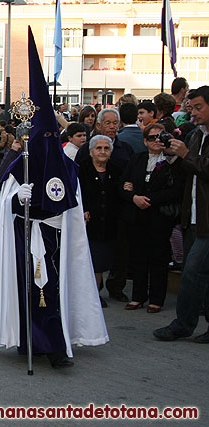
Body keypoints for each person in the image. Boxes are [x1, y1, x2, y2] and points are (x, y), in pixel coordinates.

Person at [0, 28, 108, 369]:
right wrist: (16, 198)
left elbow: (73, 202)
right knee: (27, 289)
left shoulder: (67, 166)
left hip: (55, 237)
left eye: (54, 134)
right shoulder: (22, 161)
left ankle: (54, 345)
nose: (50, 140)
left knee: (50, 290)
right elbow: (3, 195)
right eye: (45, 134)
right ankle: (29, 341)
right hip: (26, 233)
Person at [153, 86, 209, 343]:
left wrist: (187, 154)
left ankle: (183, 324)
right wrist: (174, 156)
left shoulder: (197, 141)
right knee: (198, 272)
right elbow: (188, 173)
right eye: (191, 107)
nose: (192, 112)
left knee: (192, 273)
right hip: (193, 215)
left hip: (205, 220)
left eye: (198, 107)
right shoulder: (197, 135)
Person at [121, 123, 184, 313]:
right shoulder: (137, 159)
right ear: (145, 141)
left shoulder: (173, 161)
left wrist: (149, 199)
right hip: (138, 216)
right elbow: (124, 183)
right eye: (151, 137)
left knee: (158, 258)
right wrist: (133, 197)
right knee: (139, 257)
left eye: (160, 137)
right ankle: (138, 296)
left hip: (160, 217)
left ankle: (157, 299)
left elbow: (176, 189)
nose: (156, 141)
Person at [75, 108, 135, 302]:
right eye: (107, 123)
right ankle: (94, 292)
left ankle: (116, 288)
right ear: (99, 125)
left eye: (115, 123)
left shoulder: (125, 149)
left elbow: (130, 175)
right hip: (92, 214)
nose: (112, 126)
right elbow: (77, 183)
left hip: (116, 213)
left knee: (119, 254)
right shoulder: (86, 151)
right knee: (95, 255)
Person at [79, 135, 122, 308]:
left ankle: (95, 294)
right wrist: (83, 209)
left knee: (101, 262)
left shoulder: (116, 170)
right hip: (87, 224)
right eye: (98, 148)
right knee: (91, 260)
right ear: (90, 152)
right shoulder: (80, 170)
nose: (103, 152)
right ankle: (91, 296)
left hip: (109, 224)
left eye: (106, 148)